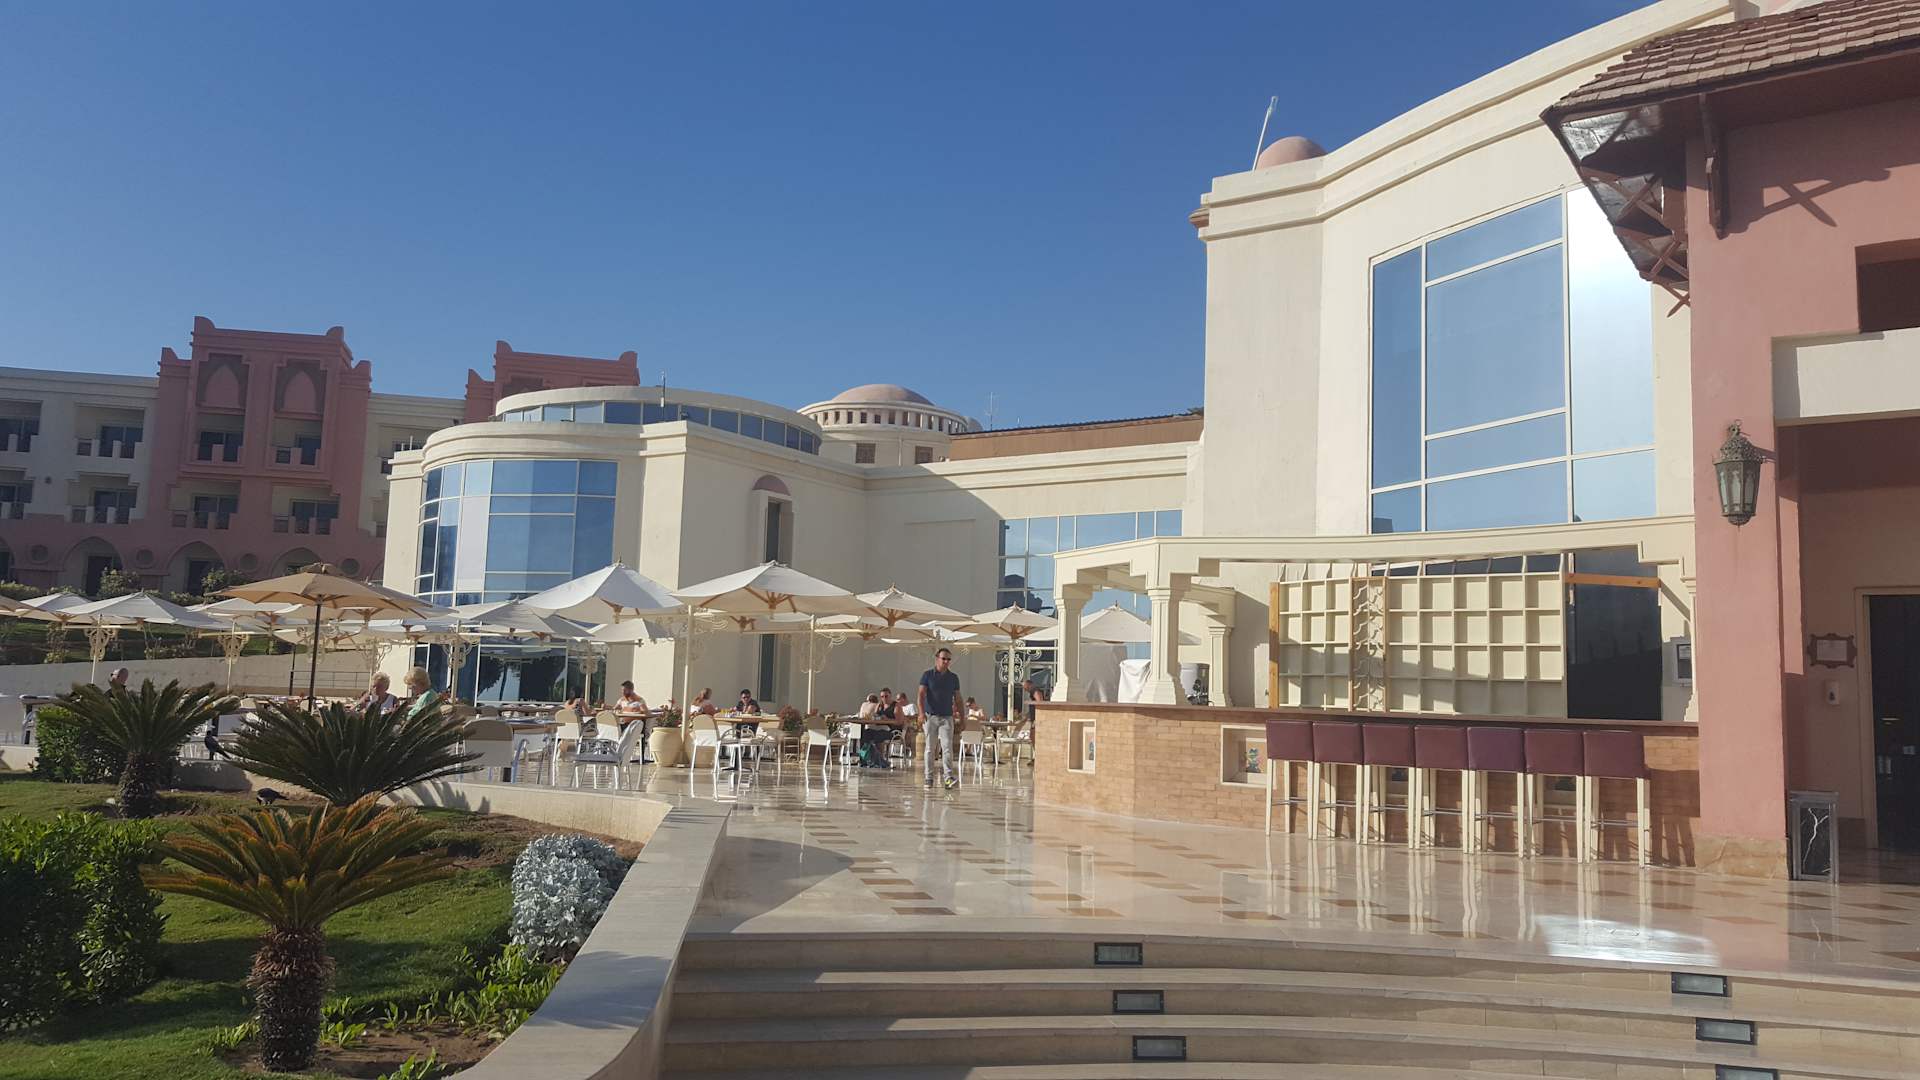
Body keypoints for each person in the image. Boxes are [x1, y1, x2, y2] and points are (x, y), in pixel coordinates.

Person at [917, 648, 962, 790]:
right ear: (937, 659)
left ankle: (948, 777)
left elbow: (958, 698)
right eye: (944, 659)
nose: (946, 662)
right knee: (930, 748)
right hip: (930, 716)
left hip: (947, 717)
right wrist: (921, 713)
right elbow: (921, 695)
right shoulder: (927, 675)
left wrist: (963, 717)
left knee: (947, 747)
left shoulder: (953, 678)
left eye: (948, 659)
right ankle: (928, 777)